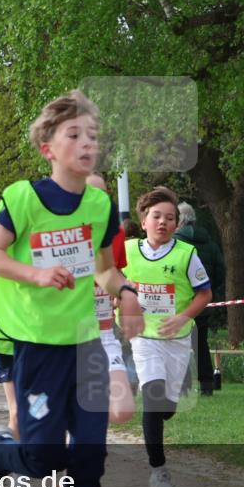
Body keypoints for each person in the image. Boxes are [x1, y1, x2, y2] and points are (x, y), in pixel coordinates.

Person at [0, 89, 143, 487]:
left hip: (85, 346)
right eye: (75, 134)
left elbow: (105, 271)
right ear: (48, 147)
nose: (88, 143)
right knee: (42, 459)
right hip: (38, 348)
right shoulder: (22, 198)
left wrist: (127, 293)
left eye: (93, 135)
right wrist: (36, 273)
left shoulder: (99, 204)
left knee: (90, 460)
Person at [121, 186, 213, 487]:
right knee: (153, 398)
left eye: (170, 218)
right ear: (143, 221)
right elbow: (109, 280)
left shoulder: (187, 254)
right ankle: (158, 470)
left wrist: (183, 317)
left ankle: (163, 412)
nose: (163, 222)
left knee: (166, 408)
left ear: (176, 224)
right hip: (144, 337)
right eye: (156, 216)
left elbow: (205, 293)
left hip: (177, 339)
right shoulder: (128, 250)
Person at [87, 173, 134, 424]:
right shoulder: (59, 232)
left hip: (104, 333)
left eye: (103, 196)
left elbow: (113, 272)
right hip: (67, 337)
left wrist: (125, 293)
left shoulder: (115, 234)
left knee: (122, 410)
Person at [174, 202, 226, 396]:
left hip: (180, 301)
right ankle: (206, 384)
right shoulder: (209, 243)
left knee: (178, 342)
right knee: (201, 343)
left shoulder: (175, 244)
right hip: (202, 300)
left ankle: (183, 385)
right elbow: (220, 271)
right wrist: (206, 289)